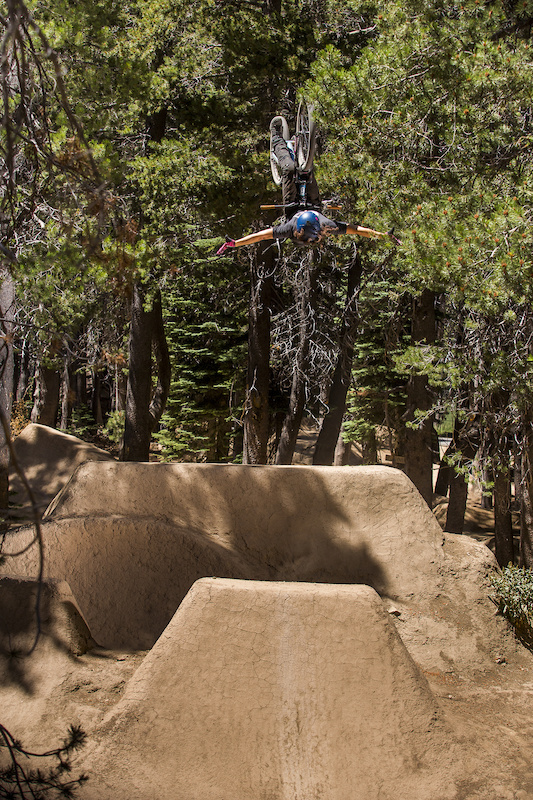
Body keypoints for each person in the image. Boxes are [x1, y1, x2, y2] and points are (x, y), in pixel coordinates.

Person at [216, 116, 400, 256]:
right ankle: (306, 153)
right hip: (313, 203)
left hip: (292, 204)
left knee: (288, 168)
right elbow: (357, 230)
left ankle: (277, 140)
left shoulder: (288, 229)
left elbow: (261, 235)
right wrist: (381, 235)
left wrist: (236, 243)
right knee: (308, 171)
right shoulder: (327, 225)